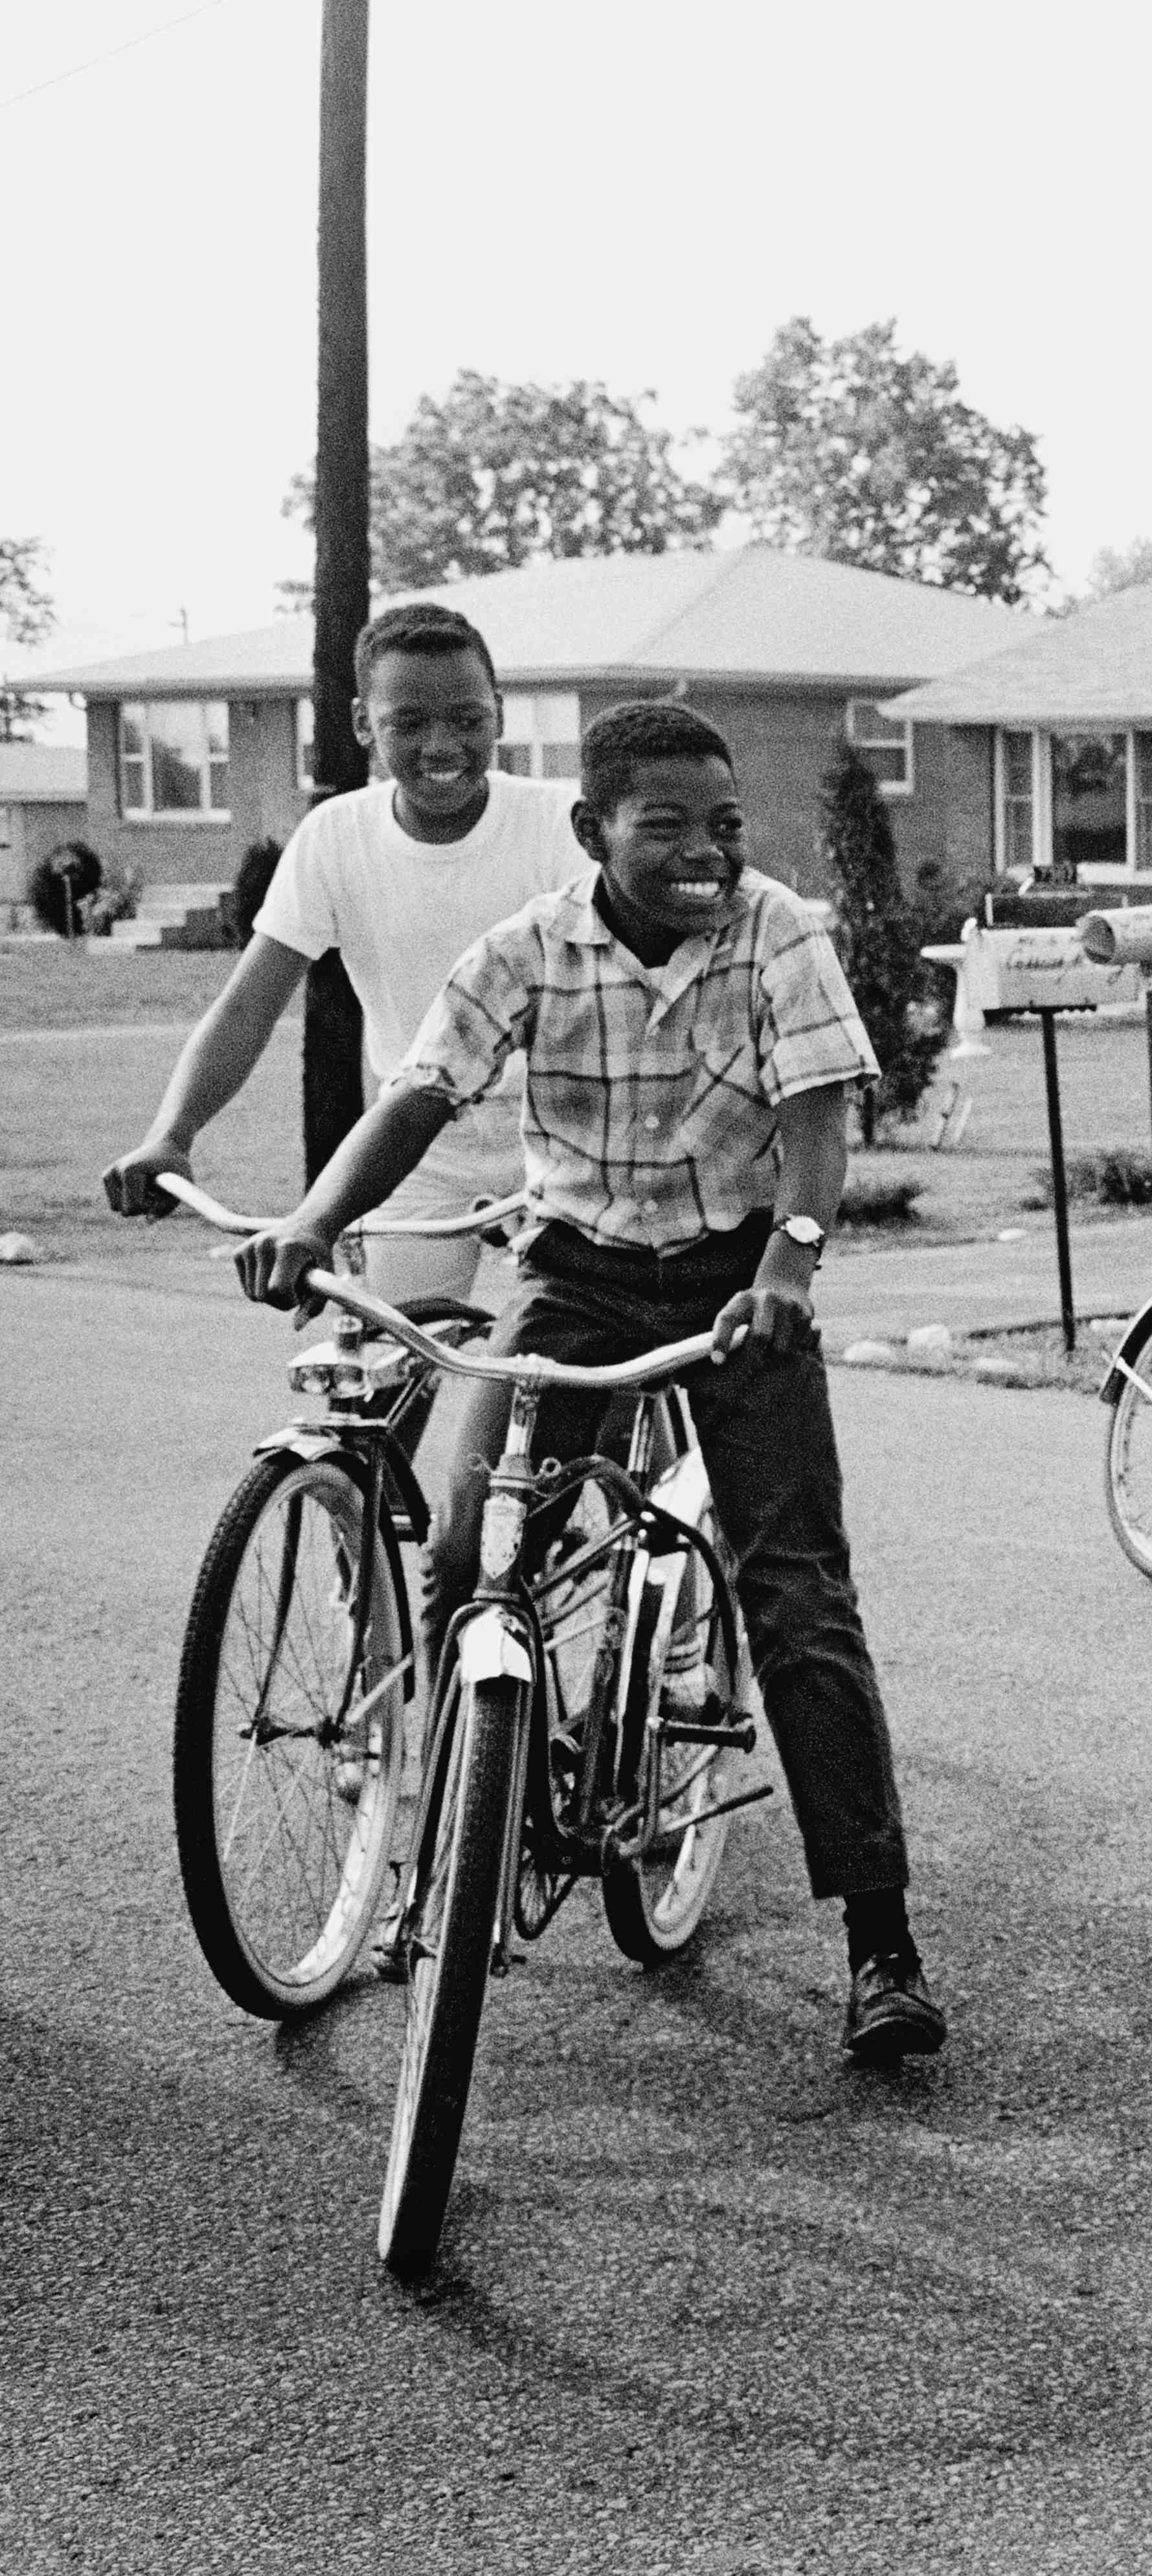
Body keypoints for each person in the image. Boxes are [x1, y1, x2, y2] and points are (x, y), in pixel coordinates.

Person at [227, 699, 945, 2062]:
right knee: (469, 1554)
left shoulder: (776, 931)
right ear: (591, 831)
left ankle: (882, 1946)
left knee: (799, 1597)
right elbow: (420, 1096)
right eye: (665, 826)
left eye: (724, 825)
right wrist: (317, 1220)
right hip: (578, 1276)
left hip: (739, 1285)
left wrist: (789, 1264)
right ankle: (460, 1837)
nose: (705, 852)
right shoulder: (525, 950)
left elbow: (815, 1113)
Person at [106, 601, 593, 1312]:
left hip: (564, 1129)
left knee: (571, 1344)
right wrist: (170, 1135)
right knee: (391, 1350)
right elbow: (247, 1008)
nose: (442, 746)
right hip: (415, 1137)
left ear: (500, 715)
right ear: (364, 723)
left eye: (467, 719)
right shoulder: (336, 835)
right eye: (409, 724)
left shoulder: (561, 824)